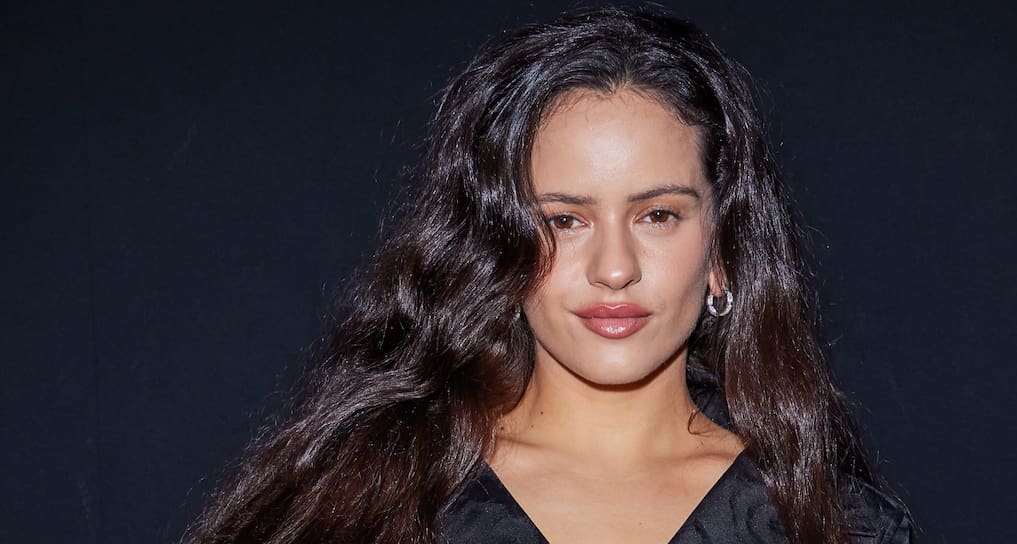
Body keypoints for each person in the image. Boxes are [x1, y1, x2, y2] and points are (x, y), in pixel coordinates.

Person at [186, 6, 912, 544]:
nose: (615, 268)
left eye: (658, 215)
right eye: (564, 220)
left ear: (722, 249)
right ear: (497, 243)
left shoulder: (832, 524)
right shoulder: (370, 505)